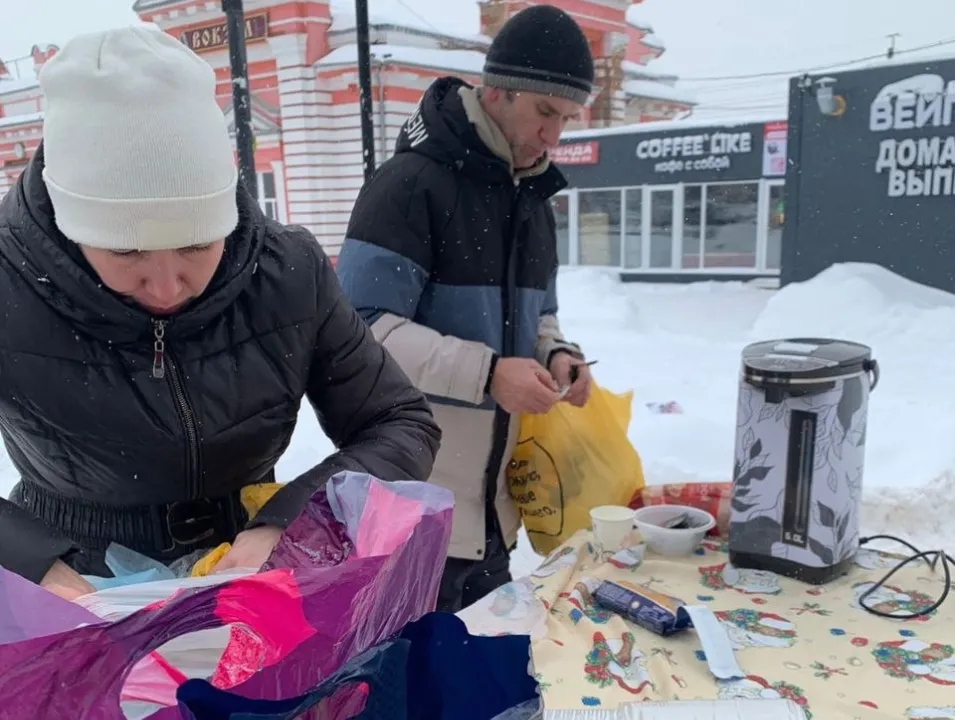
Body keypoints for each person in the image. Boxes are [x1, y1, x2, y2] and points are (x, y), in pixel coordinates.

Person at [0, 25, 441, 601]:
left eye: (196, 243)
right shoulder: (9, 284)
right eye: (126, 251)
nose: (167, 285)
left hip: (256, 578)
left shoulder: (288, 271)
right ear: (68, 225)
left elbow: (401, 422)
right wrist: (32, 562)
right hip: (73, 590)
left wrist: (294, 521)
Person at [335, 5, 595, 612]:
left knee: (486, 665)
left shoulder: (534, 199)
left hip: (495, 516)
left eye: (567, 118)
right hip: (412, 511)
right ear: (497, 92)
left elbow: (541, 315)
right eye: (545, 112)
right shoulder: (407, 186)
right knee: (409, 668)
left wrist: (556, 354)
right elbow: (359, 332)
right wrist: (488, 374)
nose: (554, 136)